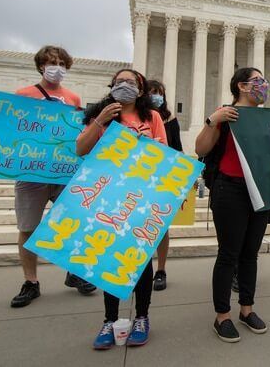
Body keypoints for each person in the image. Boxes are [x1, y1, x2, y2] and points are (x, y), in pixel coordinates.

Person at [0, 45, 96, 308]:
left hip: (63, 173)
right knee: (28, 228)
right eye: (52, 63)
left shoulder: (73, 99)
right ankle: (31, 281)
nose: (57, 68)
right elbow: (7, 125)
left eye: (62, 63)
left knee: (71, 225)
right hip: (30, 174)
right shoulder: (23, 95)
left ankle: (74, 272)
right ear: (41, 65)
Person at [77, 68, 167, 349]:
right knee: (109, 258)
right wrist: (100, 121)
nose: (124, 85)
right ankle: (109, 320)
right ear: (112, 86)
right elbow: (81, 149)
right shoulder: (101, 114)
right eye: (120, 82)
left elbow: (165, 154)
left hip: (140, 195)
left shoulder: (151, 116)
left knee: (139, 260)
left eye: (131, 82)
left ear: (140, 89)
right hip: (108, 195)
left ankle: (142, 316)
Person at [195, 67, 270, 343]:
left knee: (250, 254)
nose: (263, 85)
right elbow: (200, 149)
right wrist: (211, 121)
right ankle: (222, 315)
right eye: (257, 81)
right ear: (241, 86)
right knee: (229, 254)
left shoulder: (266, 118)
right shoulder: (226, 114)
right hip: (230, 188)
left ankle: (247, 310)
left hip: (259, 191)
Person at [146, 80, 184, 291]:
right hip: (136, 179)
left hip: (161, 180)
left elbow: (177, 150)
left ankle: (160, 269)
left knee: (161, 228)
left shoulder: (170, 120)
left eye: (158, 92)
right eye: (151, 92)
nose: (155, 96)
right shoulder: (134, 118)